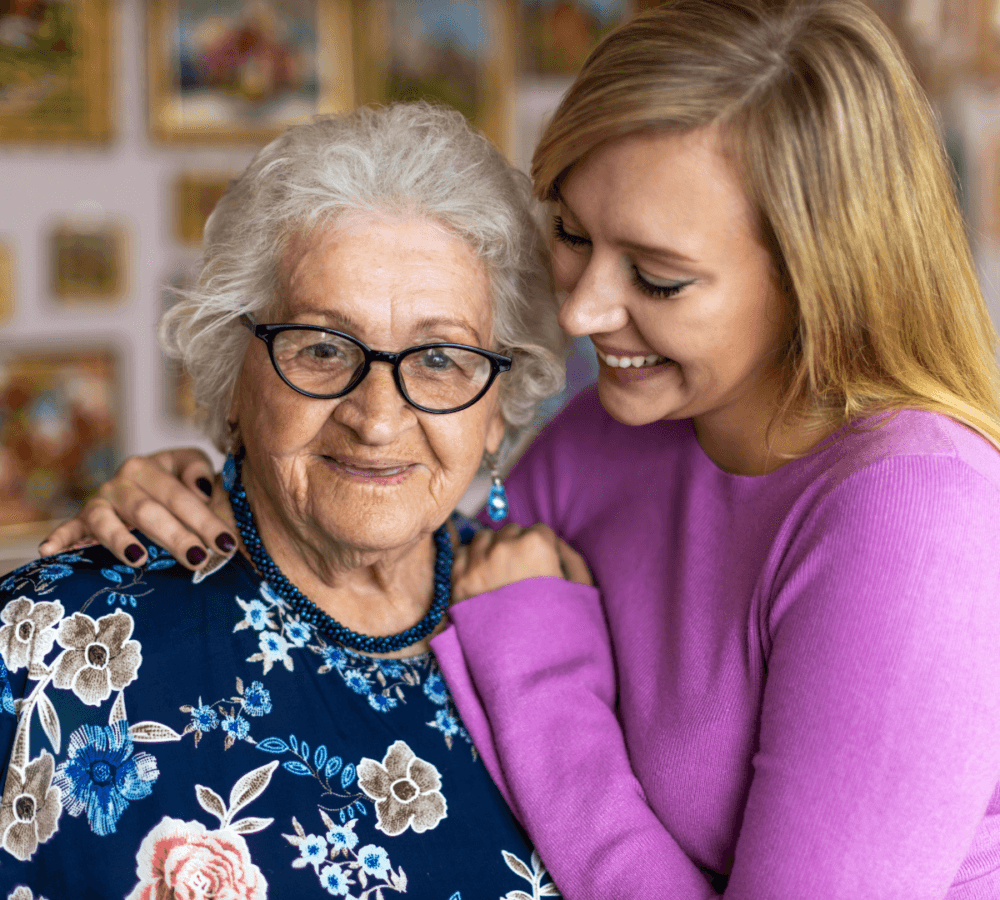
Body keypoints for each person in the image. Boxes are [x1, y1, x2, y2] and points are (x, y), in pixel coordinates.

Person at [35, 0, 1000, 897]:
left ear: (815, 278)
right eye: (573, 235)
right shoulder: (614, 433)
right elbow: (399, 532)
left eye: (658, 279)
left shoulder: (921, 517)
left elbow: (510, 634)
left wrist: (544, 676)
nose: (579, 311)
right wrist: (190, 486)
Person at [0, 101, 582, 898]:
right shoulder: (49, 650)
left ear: (497, 409)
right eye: (320, 348)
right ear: (233, 374)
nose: (378, 418)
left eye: (441, 358)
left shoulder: (563, 622)